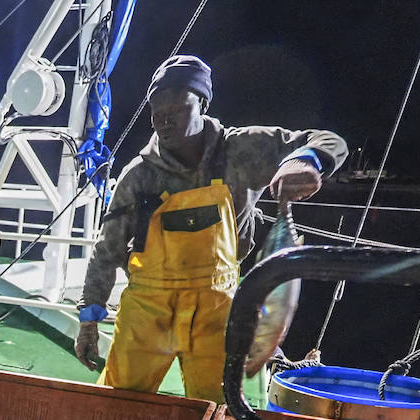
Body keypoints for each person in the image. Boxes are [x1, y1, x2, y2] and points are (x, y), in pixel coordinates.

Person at [73, 54, 347, 402]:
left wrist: (307, 161)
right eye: (156, 109)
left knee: (215, 407)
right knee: (118, 402)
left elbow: (327, 139)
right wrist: (89, 320)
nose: (164, 119)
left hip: (217, 306)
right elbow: (107, 249)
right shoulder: (138, 175)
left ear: (202, 103)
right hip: (148, 308)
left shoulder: (242, 151)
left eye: (177, 107)